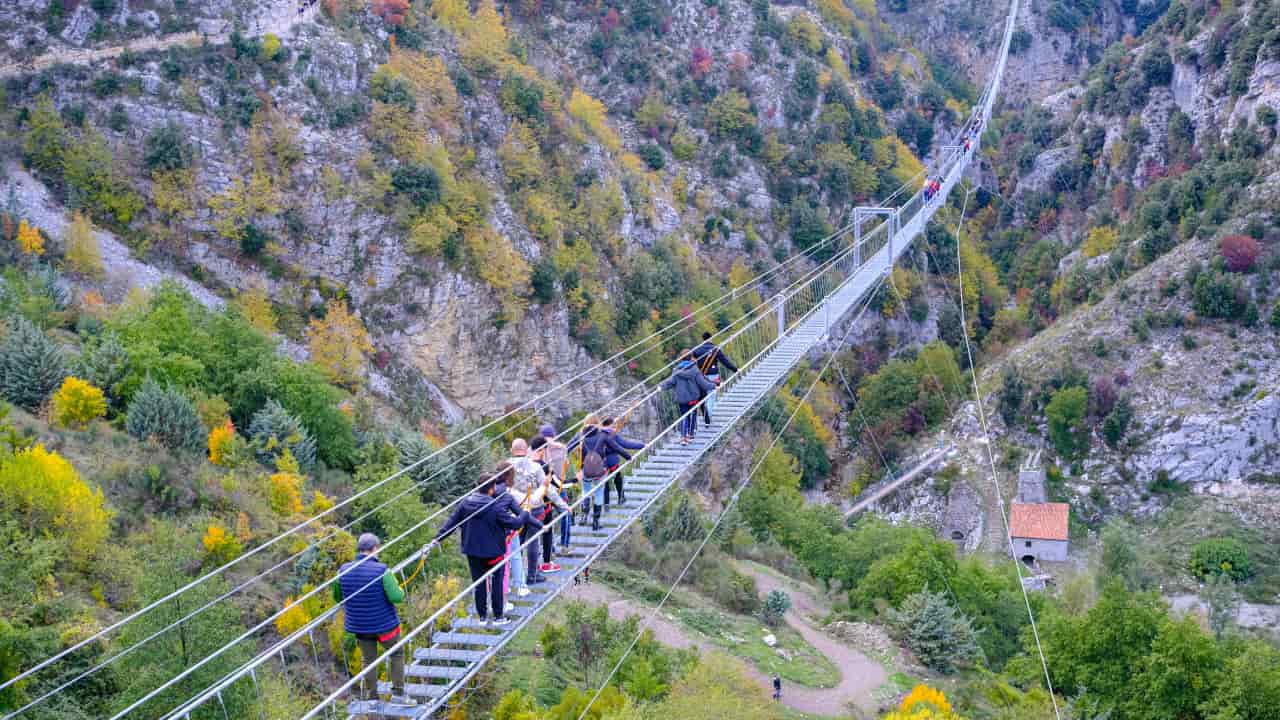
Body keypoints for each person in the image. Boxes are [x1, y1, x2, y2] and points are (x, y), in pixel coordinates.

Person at [430, 474, 537, 626]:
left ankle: (482, 617)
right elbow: (515, 524)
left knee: (479, 583)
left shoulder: (465, 504)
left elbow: (451, 523)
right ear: (492, 488)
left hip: (472, 551)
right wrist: (526, 512)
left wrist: (436, 539)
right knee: (497, 582)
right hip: (494, 552)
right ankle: (498, 616)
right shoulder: (495, 507)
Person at [332, 533, 415, 709]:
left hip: (360, 627)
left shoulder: (342, 571)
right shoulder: (382, 571)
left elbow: (338, 597)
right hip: (385, 627)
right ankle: (399, 694)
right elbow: (396, 596)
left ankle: (372, 698)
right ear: (375, 549)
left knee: (368, 660)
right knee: (396, 654)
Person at [510, 436, 570, 577]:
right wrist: (563, 505)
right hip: (535, 509)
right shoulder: (535, 466)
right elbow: (548, 489)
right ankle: (532, 574)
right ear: (526, 450)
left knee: (516, 541)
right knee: (533, 541)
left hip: (514, 508)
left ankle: (515, 574)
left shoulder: (506, 466)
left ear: (511, 450)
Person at [566, 415, 634, 531]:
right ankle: (596, 523)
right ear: (597, 422)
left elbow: (568, 448)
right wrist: (629, 457)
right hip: (600, 470)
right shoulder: (603, 435)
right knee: (598, 493)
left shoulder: (580, 435)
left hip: (585, 470)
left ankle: (584, 516)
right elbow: (617, 448)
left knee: (586, 491)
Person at [661, 349, 716, 444]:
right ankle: (690, 435)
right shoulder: (695, 370)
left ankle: (683, 438)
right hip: (693, 398)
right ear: (691, 358)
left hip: (681, 398)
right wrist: (714, 385)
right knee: (693, 415)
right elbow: (703, 384)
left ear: (681, 359)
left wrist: (661, 387)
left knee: (684, 417)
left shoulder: (676, 371)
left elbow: (670, 382)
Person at [539, 424, 575, 555]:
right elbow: (565, 465)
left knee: (545, 518)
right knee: (565, 514)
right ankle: (564, 546)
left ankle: (549, 547)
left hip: (544, 490)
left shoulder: (538, 450)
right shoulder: (561, 449)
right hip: (558, 487)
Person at [691, 331, 739, 424]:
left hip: (701, 376)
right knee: (711, 396)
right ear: (711, 338)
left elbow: (692, 361)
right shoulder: (715, 349)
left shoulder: (697, 350)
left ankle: (705, 414)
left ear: (703, 339)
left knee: (704, 396)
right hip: (713, 376)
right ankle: (708, 414)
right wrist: (735, 369)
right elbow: (725, 361)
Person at [600, 417, 645, 508]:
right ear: (609, 425)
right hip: (613, 462)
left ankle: (606, 504)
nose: (615, 428)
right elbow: (625, 444)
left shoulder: (598, 434)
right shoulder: (613, 435)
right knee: (618, 479)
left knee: (604, 483)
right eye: (614, 425)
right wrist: (642, 445)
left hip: (601, 463)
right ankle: (621, 497)